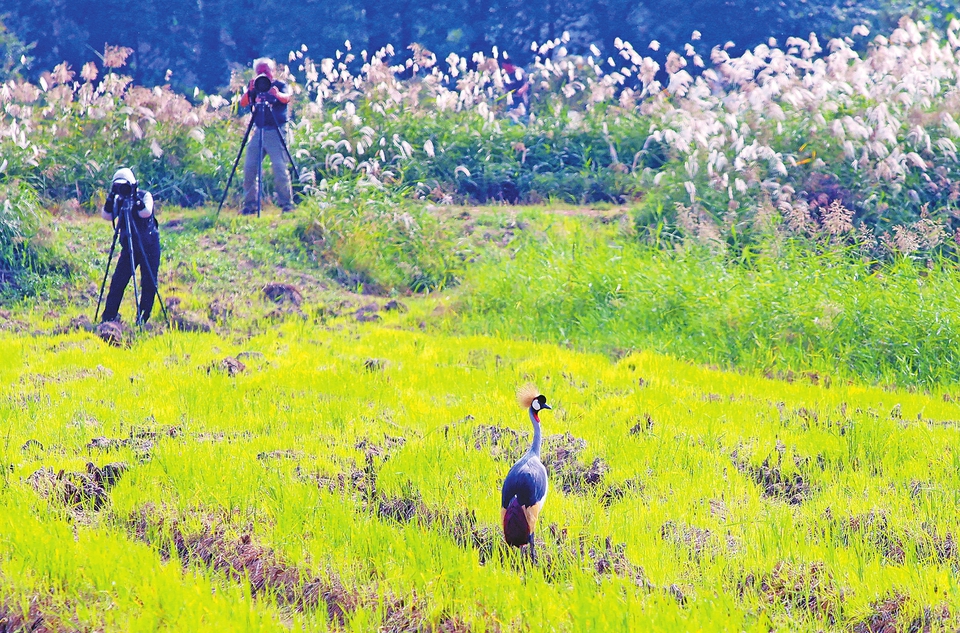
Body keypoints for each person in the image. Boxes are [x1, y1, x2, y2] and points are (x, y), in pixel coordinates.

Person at [100, 168, 161, 325]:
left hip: (149, 246)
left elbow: (145, 213)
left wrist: (134, 197)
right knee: (118, 282)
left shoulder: (145, 196)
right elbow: (106, 216)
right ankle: (109, 317)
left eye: (125, 186)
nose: (123, 190)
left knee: (149, 283)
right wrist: (113, 195)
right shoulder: (119, 200)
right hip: (129, 248)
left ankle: (143, 318)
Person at [239, 57, 295, 214]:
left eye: (266, 71)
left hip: (277, 130)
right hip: (260, 129)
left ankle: (286, 204)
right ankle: (250, 205)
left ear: (273, 72)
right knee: (250, 167)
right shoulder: (256, 85)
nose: (263, 74)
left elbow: (287, 98)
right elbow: (243, 103)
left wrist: (276, 94)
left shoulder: (280, 85)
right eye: (260, 72)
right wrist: (250, 91)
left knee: (279, 167)